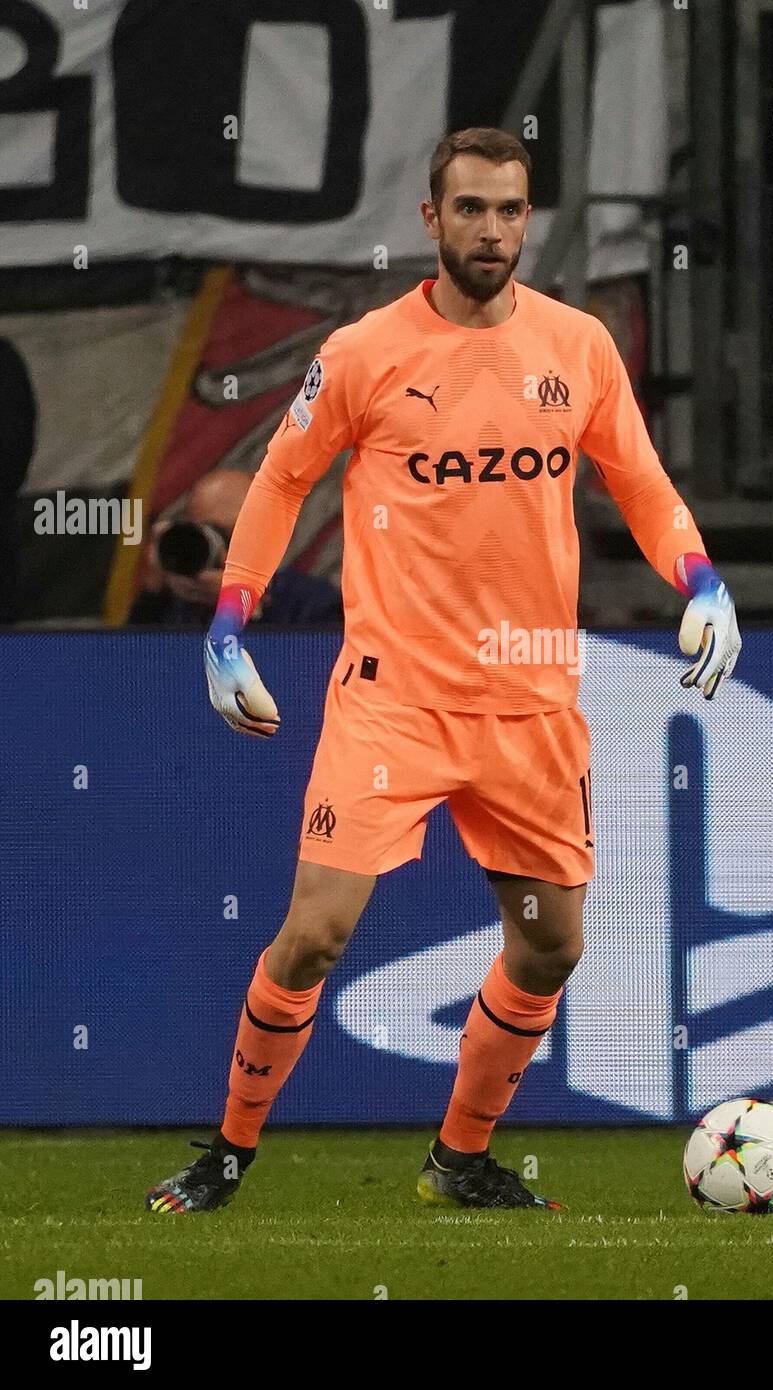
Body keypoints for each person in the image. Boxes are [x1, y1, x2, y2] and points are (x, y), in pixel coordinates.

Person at [146, 127, 741, 1215]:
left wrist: (700, 580)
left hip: (529, 706)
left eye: (509, 211)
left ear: (527, 219)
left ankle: (456, 1159)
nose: (491, 230)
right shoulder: (366, 352)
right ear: (431, 220)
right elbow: (279, 481)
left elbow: (642, 484)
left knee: (550, 947)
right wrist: (229, 622)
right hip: (394, 701)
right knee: (314, 932)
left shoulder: (577, 347)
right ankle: (227, 1150)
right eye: (468, 209)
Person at [128, 468, 342, 627]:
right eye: (208, 531)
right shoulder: (175, 602)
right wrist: (152, 591)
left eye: (234, 534)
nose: (221, 548)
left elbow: (292, 675)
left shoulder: (311, 604)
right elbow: (129, 669)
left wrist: (244, 608)